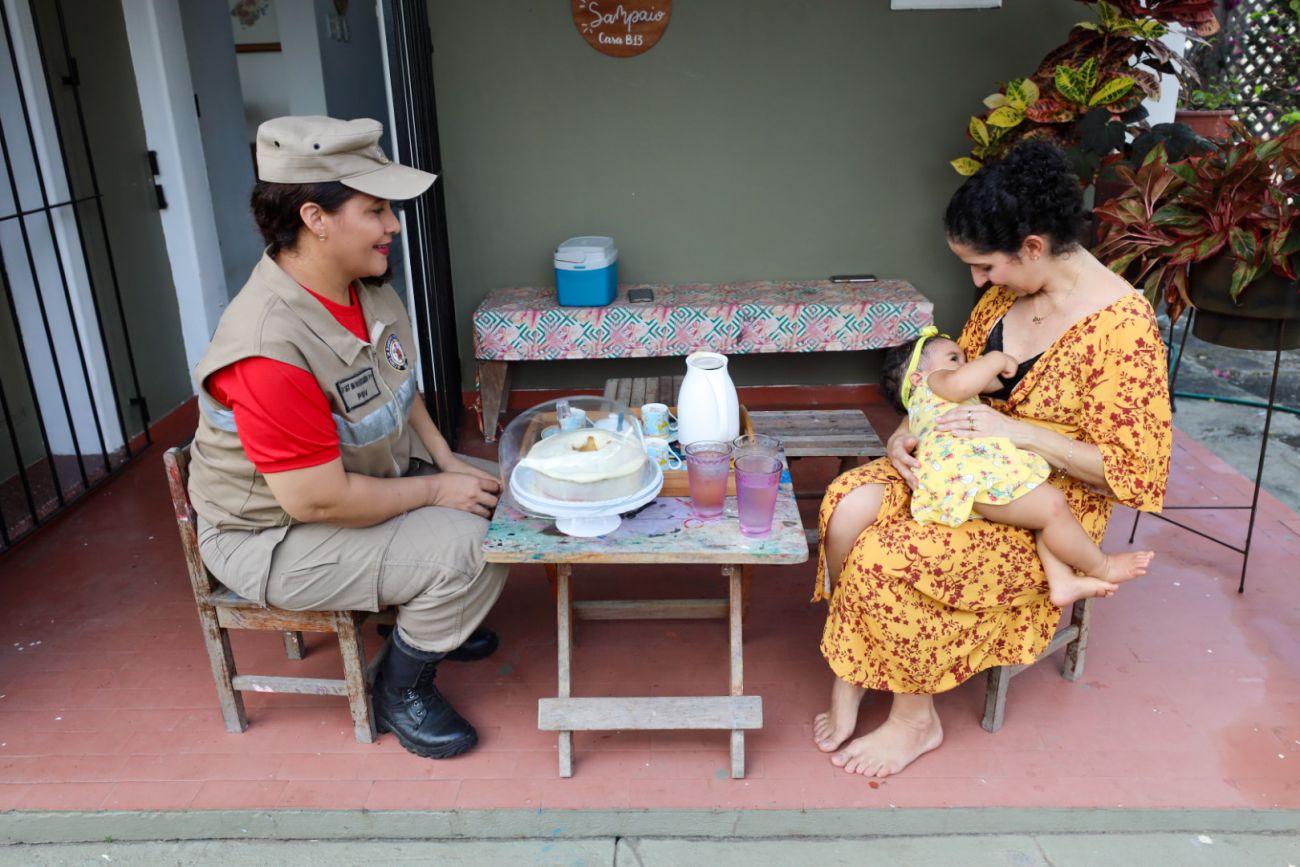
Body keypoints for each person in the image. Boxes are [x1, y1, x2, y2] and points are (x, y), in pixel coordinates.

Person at [811, 141, 1172, 778]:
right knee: (848, 504)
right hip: (965, 464)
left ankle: (914, 719)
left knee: (886, 557)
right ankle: (855, 667)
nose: (978, 283)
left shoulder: (1124, 329)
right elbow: (949, 384)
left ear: (1032, 247)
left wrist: (1027, 435)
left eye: (984, 267)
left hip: (1047, 508)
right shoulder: (1006, 300)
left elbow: (1136, 472)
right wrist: (903, 436)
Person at [187, 116, 507, 761]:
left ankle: (436, 616)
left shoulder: (361, 286)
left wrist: (446, 458)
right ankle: (400, 686)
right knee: (476, 543)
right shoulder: (267, 349)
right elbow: (318, 502)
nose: (393, 226)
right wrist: (436, 489)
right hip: (273, 535)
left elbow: (397, 381)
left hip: (363, 484)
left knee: (510, 497)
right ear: (316, 217)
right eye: (377, 209)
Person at [857, 325, 1155, 607]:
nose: (965, 363)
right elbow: (963, 383)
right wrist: (995, 358)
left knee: (1038, 508)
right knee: (1052, 507)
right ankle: (1102, 566)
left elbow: (992, 383)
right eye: (953, 358)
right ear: (918, 378)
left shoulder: (923, 407)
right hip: (971, 478)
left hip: (962, 484)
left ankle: (1061, 579)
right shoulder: (939, 384)